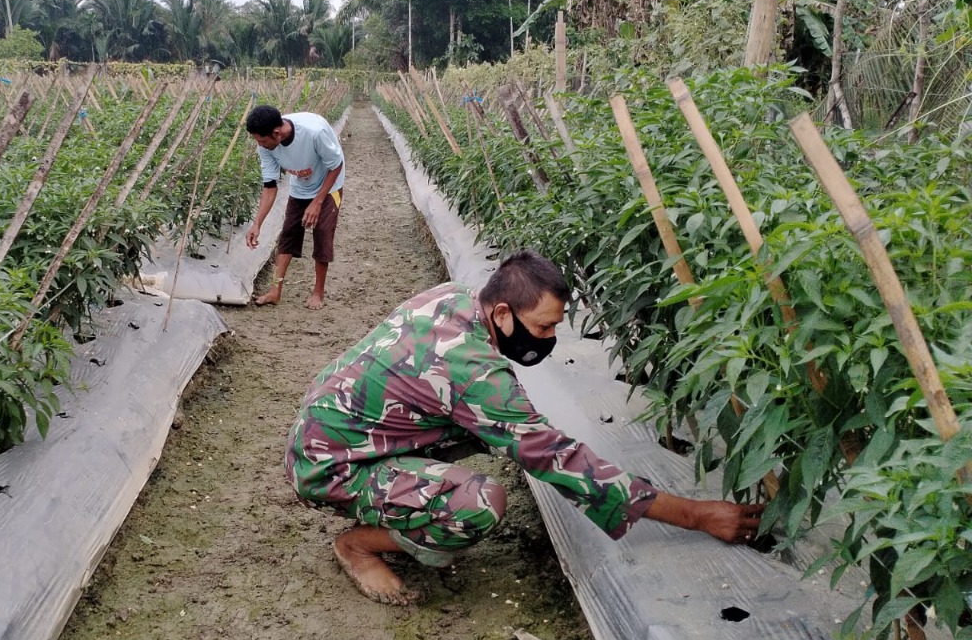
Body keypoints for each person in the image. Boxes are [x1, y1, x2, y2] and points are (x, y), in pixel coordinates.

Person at [286, 249, 764, 606]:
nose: (548, 339)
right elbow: (555, 457)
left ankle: (396, 494)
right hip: (330, 465)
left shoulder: (455, 298)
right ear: (501, 313)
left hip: (333, 430)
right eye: (541, 328)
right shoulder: (471, 373)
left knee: (494, 430)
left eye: (556, 328)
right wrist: (696, 515)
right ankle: (358, 544)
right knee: (477, 503)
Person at [244, 104, 345, 310]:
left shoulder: (314, 133)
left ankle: (318, 292)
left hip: (330, 183)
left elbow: (336, 164)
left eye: (262, 141)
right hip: (301, 186)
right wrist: (257, 224)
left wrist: (317, 202)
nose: (260, 145)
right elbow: (270, 187)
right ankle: (275, 291)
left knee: (323, 232)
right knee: (289, 233)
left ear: (277, 133)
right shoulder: (265, 145)